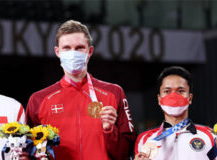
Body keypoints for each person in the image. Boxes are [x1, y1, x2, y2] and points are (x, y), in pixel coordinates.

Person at [25, 20, 136, 160]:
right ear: (57, 52)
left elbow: (126, 152)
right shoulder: (39, 99)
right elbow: (28, 151)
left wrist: (109, 130)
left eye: (79, 48)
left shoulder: (114, 93)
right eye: (67, 48)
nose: (73, 53)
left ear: (89, 51)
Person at [134, 66, 217, 160]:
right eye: (167, 91)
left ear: (190, 98)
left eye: (180, 91)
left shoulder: (211, 136)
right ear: (159, 99)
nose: (174, 97)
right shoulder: (144, 139)